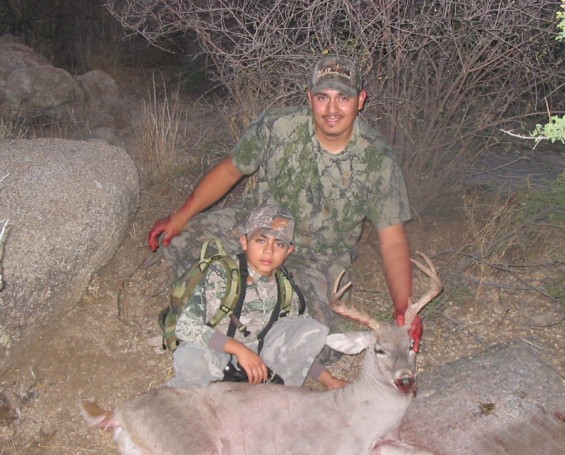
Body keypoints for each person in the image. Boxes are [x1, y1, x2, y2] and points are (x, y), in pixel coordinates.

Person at [149, 55, 423, 354]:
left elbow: (393, 240)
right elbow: (231, 170)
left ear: (360, 100)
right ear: (310, 98)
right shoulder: (278, 126)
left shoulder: (378, 159)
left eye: (343, 98)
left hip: (318, 258)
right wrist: (181, 216)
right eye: (323, 97)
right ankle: (220, 310)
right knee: (185, 239)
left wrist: (403, 308)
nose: (332, 109)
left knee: (316, 344)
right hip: (258, 230)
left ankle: (235, 316)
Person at [167, 205, 346, 389]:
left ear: (288, 251)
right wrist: (239, 349)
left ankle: (271, 392)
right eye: (261, 240)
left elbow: (297, 345)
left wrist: (329, 380)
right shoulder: (222, 273)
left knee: (310, 329)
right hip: (219, 351)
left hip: (260, 360)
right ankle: (185, 395)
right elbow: (185, 325)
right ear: (244, 242)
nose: (269, 251)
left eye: (279, 244)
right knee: (191, 359)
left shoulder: (286, 287)